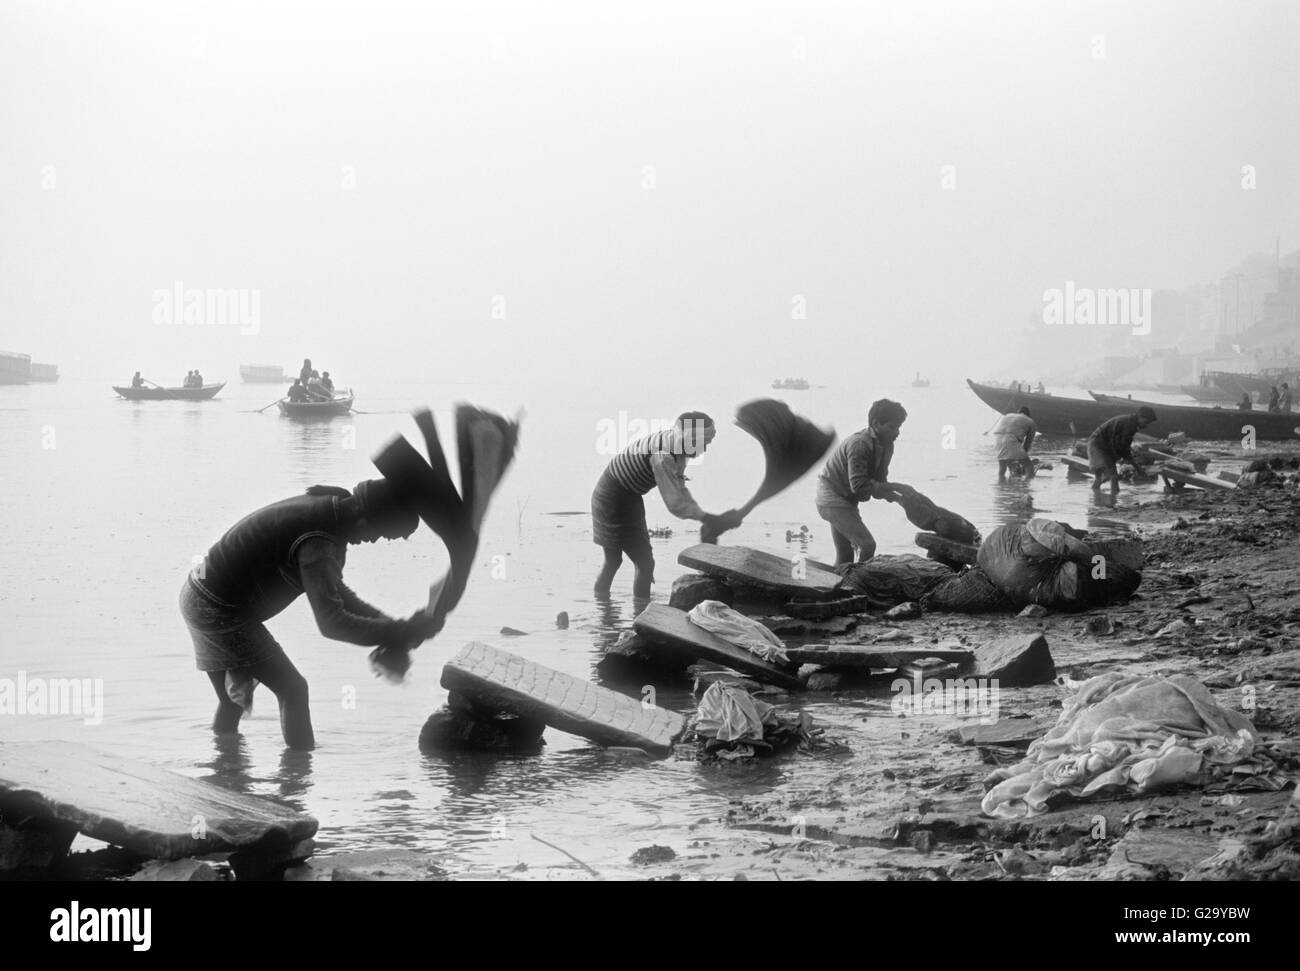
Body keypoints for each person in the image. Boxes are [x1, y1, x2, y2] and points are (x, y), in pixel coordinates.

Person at [180, 478, 438, 750]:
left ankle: (223, 767)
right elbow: (332, 622)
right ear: (367, 516)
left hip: (200, 593)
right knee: (293, 690)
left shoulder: (330, 511)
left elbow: (337, 593)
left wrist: (393, 628)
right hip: (217, 607)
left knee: (233, 700)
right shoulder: (320, 542)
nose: (372, 540)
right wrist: (400, 632)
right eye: (380, 533)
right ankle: (298, 782)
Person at [591, 412, 741, 599]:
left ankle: (604, 608)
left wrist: (705, 517)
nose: (705, 449)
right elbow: (675, 502)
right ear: (692, 438)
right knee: (643, 563)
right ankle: (640, 613)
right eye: (705, 443)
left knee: (614, 561)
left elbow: (679, 489)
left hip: (622, 494)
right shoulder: (663, 455)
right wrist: (707, 518)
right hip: (614, 498)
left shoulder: (677, 446)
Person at [814, 398, 909, 566]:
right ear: (875, 424)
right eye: (892, 427)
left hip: (847, 501)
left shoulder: (887, 445)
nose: (897, 432)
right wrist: (900, 488)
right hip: (832, 499)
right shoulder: (859, 444)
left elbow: (879, 482)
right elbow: (859, 487)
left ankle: (839, 588)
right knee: (867, 545)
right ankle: (859, 585)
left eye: (899, 427)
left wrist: (900, 499)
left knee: (845, 555)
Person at [1087, 407, 1157, 495]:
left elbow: (1121, 447)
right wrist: (1137, 468)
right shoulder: (1129, 425)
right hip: (1098, 445)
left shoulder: (1130, 422)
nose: (1146, 426)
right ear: (1140, 417)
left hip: (1099, 444)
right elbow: (1123, 449)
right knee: (1113, 477)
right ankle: (1113, 502)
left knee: (1100, 478)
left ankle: (1096, 501)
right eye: (1146, 422)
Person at [991, 406, 1037, 479]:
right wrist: (1021, 457)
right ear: (1028, 414)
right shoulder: (1030, 421)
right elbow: (1028, 442)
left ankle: (1001, 485)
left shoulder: (1008, 415)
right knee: (1029, 466)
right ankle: (1026, 487)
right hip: (1011, 439)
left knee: (1002, 469)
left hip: (997, 440)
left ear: (1018, 412)